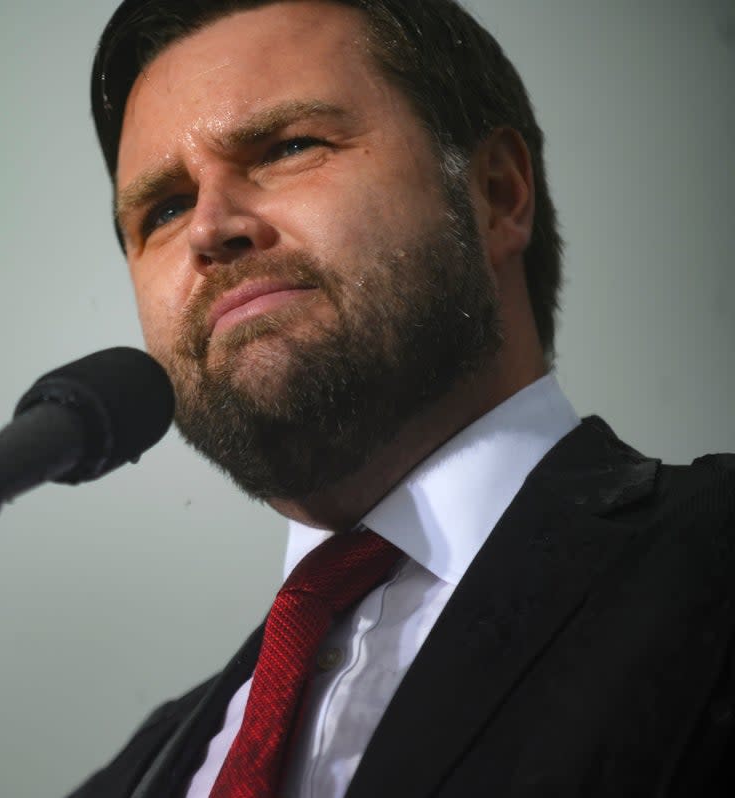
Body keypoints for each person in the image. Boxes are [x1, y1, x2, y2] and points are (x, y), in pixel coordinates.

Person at [69, 1, 735, 797]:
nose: (210, 227)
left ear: (496, 193)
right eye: (166, 208)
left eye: (287, 147)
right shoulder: (132, 779)